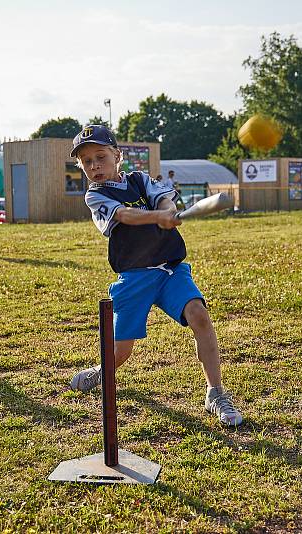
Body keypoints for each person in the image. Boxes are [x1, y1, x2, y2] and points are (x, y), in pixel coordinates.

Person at [67, 125, 243, 426]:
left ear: (117, 155)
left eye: (100, 156)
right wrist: (157, 217)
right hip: (134, 278)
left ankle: (215, 393)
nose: (94, 165)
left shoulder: (140, 180)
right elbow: (123, 215)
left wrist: (168, 210)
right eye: (86, 161)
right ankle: (102, 371)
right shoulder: (95, 196)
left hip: (169, 269)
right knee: (120, 352)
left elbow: (163, 199)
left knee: (199, 315)